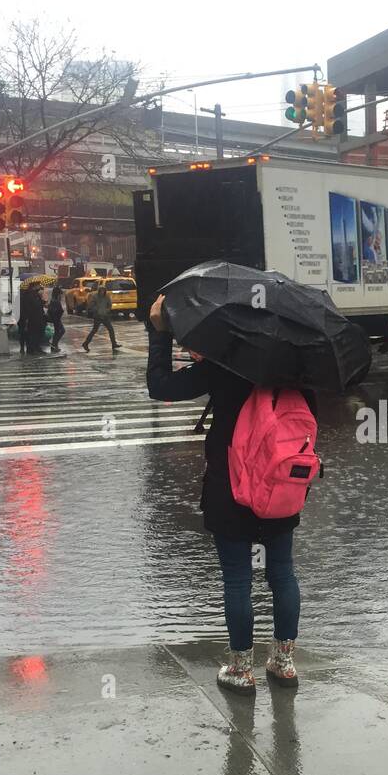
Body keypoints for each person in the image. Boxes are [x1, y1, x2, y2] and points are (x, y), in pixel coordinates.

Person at [146, 294, 315, 693]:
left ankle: (241, 669)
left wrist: (160, 333)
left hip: (232, 484)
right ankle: (284, 662)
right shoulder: (298, 368)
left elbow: (161, 386)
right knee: (282, 573)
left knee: (238, 578)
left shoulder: (225, 365)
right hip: (282, 484)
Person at [83, 282, 119, 352]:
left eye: (103, 290)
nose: (102, 292)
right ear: (99, 291)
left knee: (111, 329)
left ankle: (114, 343)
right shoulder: (95, 296)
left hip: (105, 316)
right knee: (94, 330)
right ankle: (86, 343)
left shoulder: (107, 296)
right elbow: (91, 305)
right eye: (101, 290)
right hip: (98, 316)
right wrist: (96, 310)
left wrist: (107, 310)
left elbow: (109, 305)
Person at [48, 284, 65, 352]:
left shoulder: (55, 300)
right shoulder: (55, 301)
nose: (61, 296)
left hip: (56, 319)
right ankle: (54, 345)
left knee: (58, 331)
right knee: (60, 331)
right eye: (60, 294)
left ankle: (54, 345)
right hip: (56, 319)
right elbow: (55, 311)